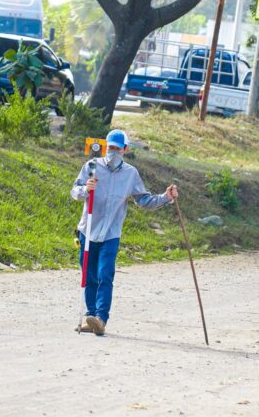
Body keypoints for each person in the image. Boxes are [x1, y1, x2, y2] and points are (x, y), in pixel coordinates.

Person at [70, 129, 178, 336]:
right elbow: (75, 191)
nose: (113, 152)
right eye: (110, 147)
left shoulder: (131, 174)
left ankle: (101, 318)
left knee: (105, 274)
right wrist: (86, 190)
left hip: (111, 233)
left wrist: (165, 196)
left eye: (118, 148)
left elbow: (144, 200)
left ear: (125, 149)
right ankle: (90, 317)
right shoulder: (91, 166)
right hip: (88, 230)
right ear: (105, 146)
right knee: (88, 275)